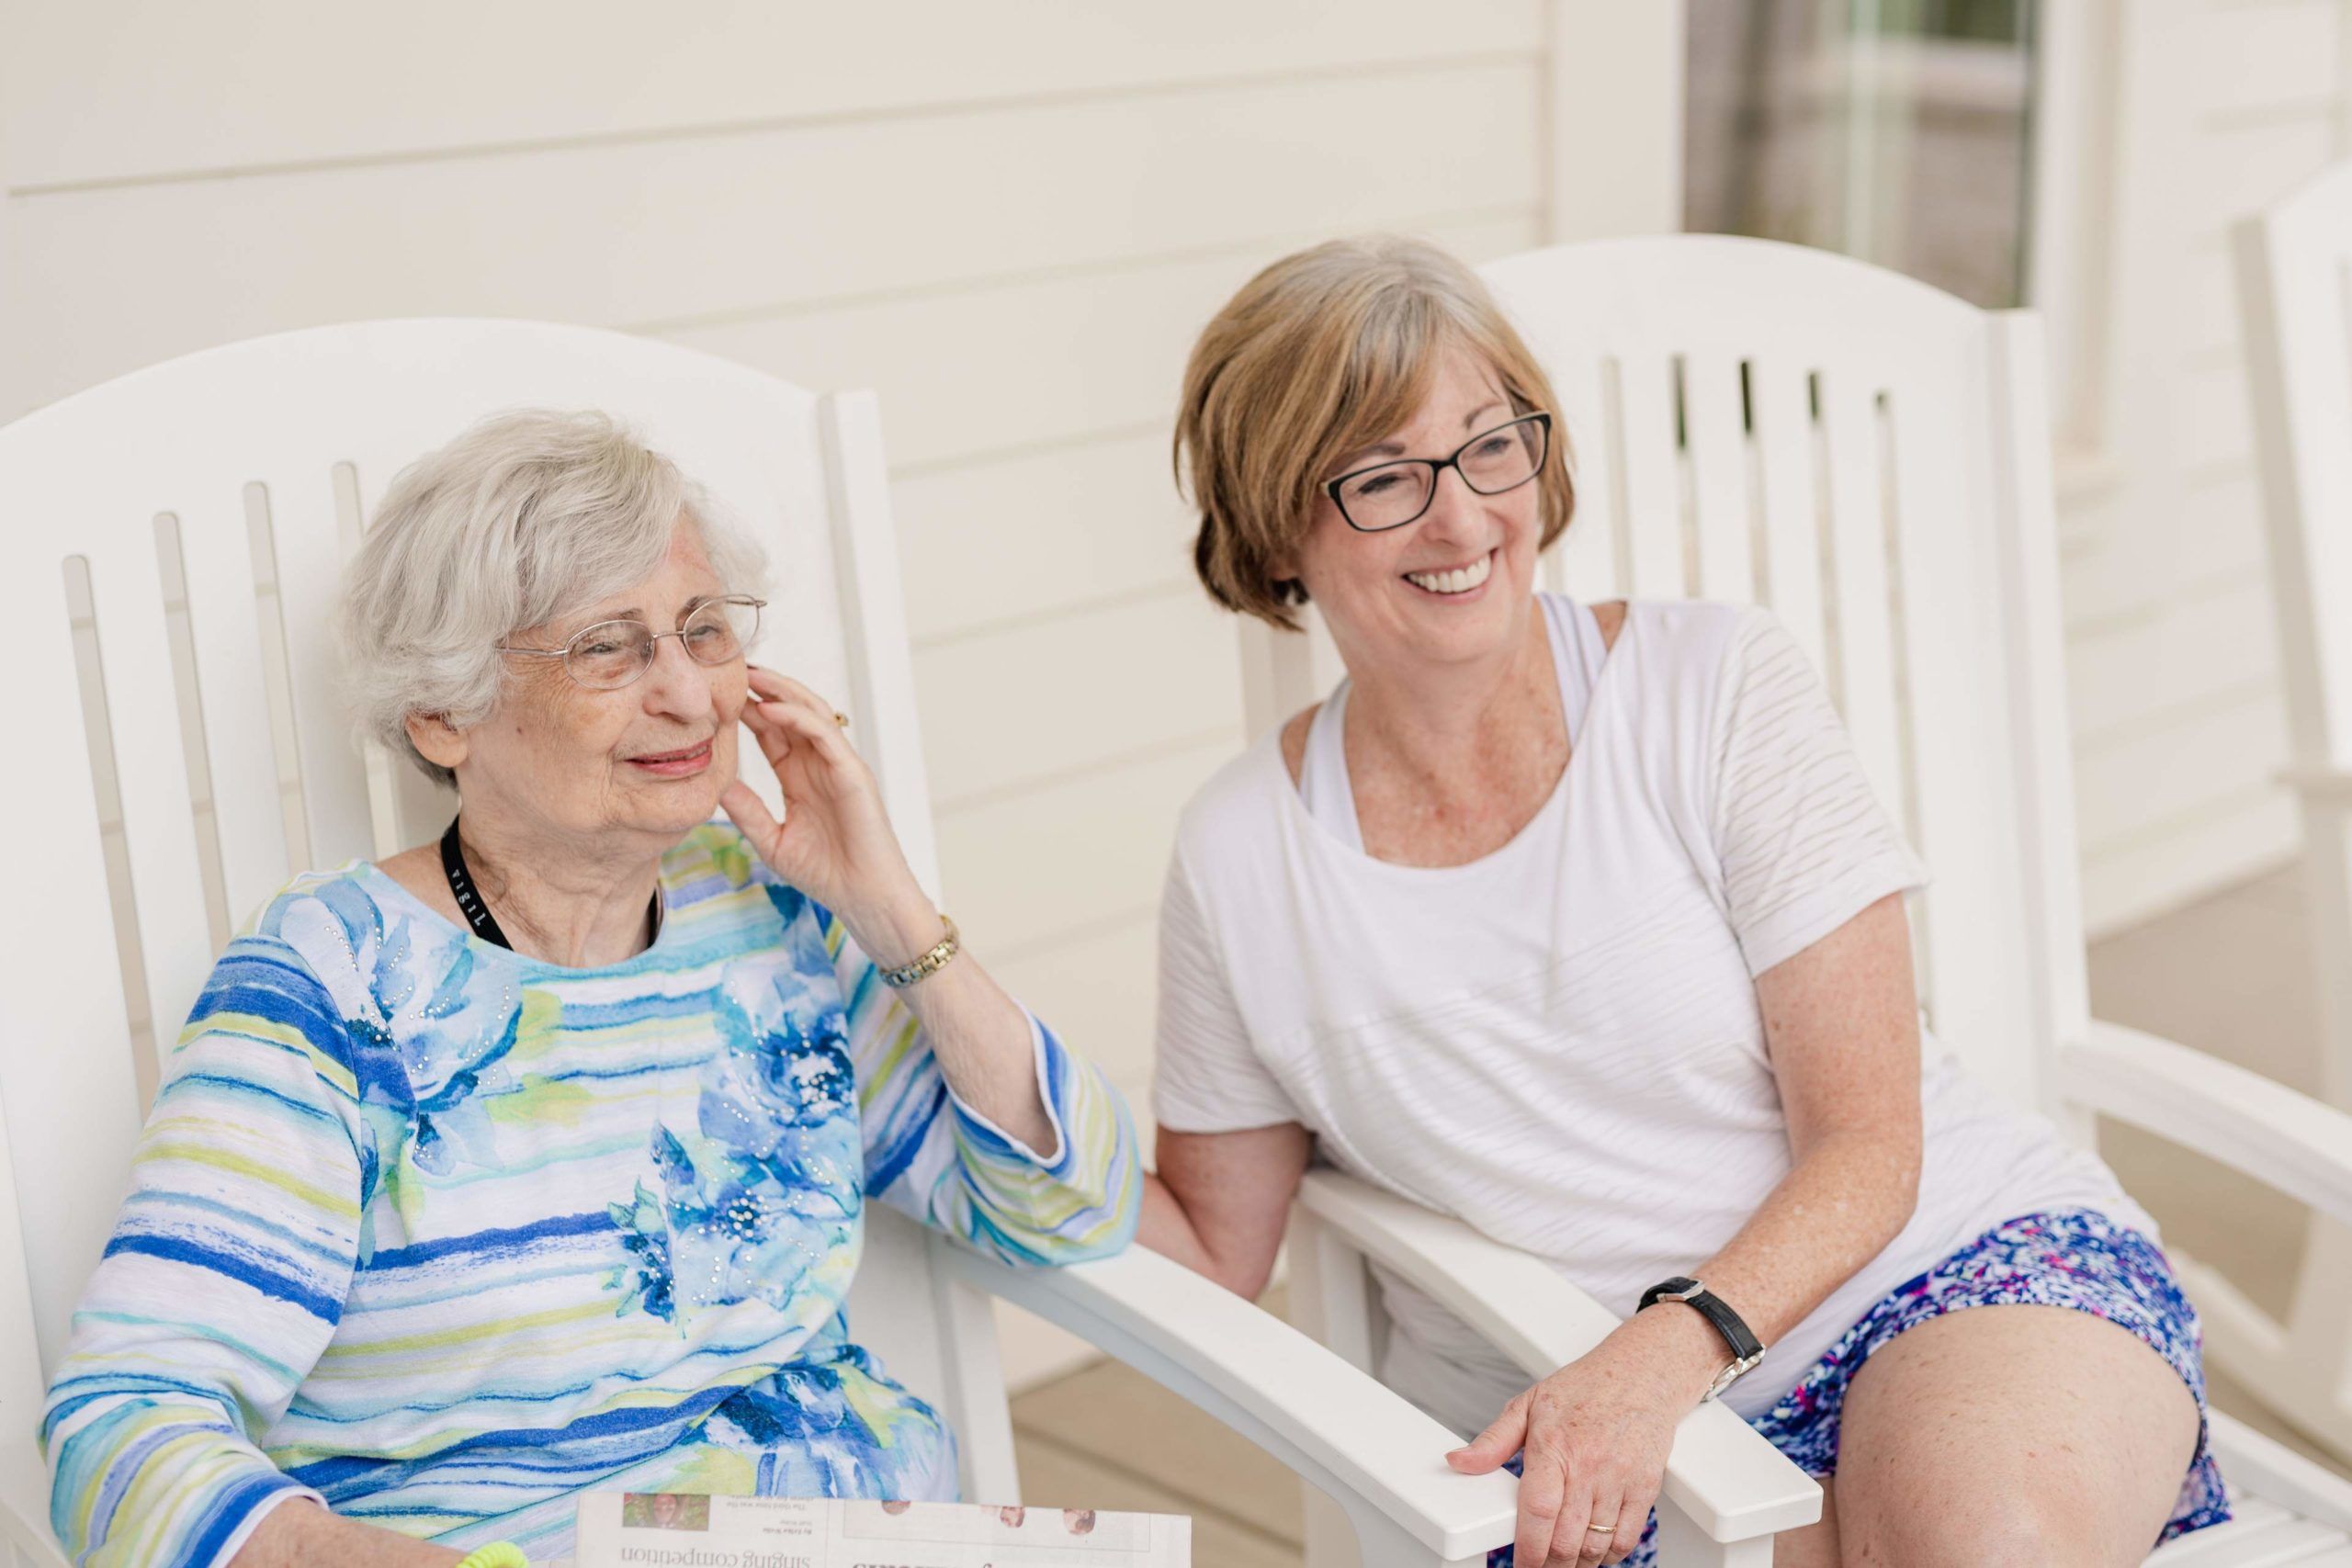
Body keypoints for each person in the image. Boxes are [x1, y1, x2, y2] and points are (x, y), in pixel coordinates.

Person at [1139, 235, 2221, 1567]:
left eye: (1491, 444)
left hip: (1939, 1287)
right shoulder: (1240, 855)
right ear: (1274, 525)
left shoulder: (1713, 686)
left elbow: (1870, 1142)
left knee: (1977, 1542)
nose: (1465, 517)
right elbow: (1206, 1241)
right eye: (1381, 479)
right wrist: (908, 976)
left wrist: (1664, 1349)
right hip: (1583, 1431)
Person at [40, 411, 1139, 1568]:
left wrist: (893, 913)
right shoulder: (339, 989)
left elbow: (1064, 1207)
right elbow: (126, 1427)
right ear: (441, 715)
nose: (689, 695)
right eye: (608, 649)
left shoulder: (764, 916)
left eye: (702, 629)